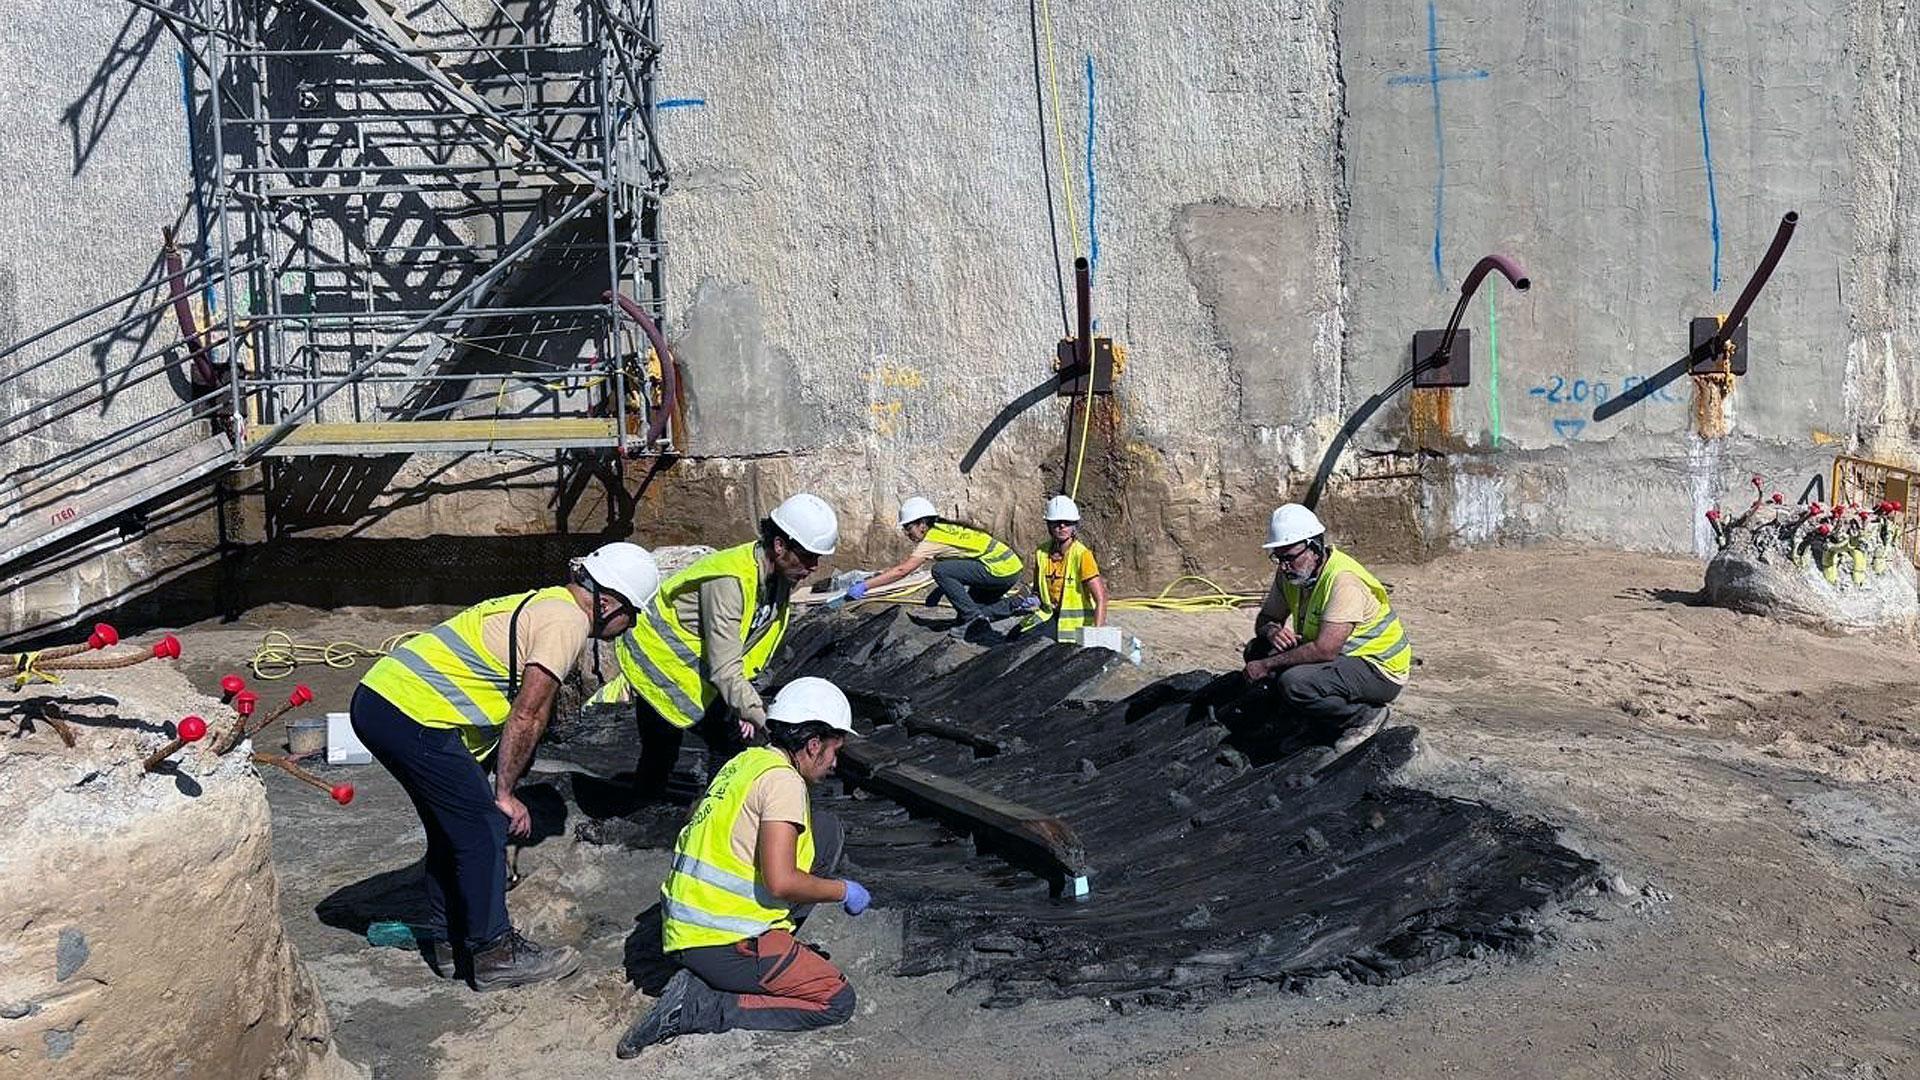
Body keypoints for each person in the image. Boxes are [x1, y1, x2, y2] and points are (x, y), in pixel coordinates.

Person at [352, 542, 662, 990]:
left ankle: (449, 941)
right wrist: (504, 794)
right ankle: (493, 952)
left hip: (387, 702)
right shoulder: (567, 621)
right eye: (631, 614)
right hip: (409, 712)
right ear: (608, 603)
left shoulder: (548, 602)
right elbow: (527, 715)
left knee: (452, 826)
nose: (630, 625)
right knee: (483, 827)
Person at [616, 677, 867, 1058]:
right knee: (836, 1000)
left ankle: (762, 955)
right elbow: (781, 882)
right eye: (835, 750)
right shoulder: (783, 782)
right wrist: (843, 890)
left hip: (686, 928)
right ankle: (699, 1006)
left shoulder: (746, 761)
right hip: (720, 940)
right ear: (814, 744)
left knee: (825, 831)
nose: (835, 763)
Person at [612, 492, 838, 801]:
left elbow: (746, 646)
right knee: (699, 745)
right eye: (808, 556)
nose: (813, 566)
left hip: (696, 672)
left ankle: (680, 805)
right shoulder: (730, 582)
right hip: (662, 667)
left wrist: (743, 702)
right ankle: (696, 812)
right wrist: (764, 720)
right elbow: (725, 668)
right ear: (780, 545)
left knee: (687, 748)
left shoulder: (777, 579)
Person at [1241, 504, 1411, 753]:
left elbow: (1325, 650)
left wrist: (1268, 665)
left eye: (1290, 558)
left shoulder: (1343, 582)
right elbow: (1267, 618)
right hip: (1340, 656)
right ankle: (1306, 719)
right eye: (1278, 558)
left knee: (1295, 683)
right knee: (1257, 649)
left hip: (1378, 668)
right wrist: (1271, 631)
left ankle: (1363, 717)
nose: (1284, 567)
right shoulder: (1291, 575)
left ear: (1315, 548)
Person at [846, 496, 1023, 639]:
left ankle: (974, 619)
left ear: (922, 524)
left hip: (998, 570)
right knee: (967, 612)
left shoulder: (932, 540)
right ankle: (1016, 603)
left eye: (909, 527)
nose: (906, 533)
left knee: (941, 571)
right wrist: (941, 590)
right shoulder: (945, 528)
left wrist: (865, 586)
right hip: (1009, 568)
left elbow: (903, 570)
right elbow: (963, 561)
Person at [1014, 494, 1108, 642]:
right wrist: (1030, 600)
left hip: (1074, 624)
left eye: (1067, 522)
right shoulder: (1042, 552)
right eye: (1057, 522)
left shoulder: (1082, 555)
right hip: (1049, 614)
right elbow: (1037, 591)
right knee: (1015, 636)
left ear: (1074, 526)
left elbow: (1101, 598)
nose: (1062, 526)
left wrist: (1097, 635)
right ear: (1049, 525)